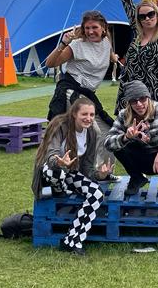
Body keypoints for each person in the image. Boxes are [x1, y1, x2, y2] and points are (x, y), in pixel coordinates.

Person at [32, 97, 114, 255]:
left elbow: (87, 169)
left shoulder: (91, 132)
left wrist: (101, 174)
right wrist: (59, 162)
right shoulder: (59, 125)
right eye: (85, 114)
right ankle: (60, 189)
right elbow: (51, 154)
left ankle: (72, 240)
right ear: (74, 113)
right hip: (50, 174)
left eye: (91, 114)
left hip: (70, 175)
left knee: (96, 193)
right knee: (56, 172)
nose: (88, 118)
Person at [105, 80, 158, 199]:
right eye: (134, 101)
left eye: (143, 99)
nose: (139, 104)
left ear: (148, 97)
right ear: (129, 103)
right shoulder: (123, 115)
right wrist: (126, 137)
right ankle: (137, 178)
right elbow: (108, 143)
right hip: (141, 161)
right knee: (119, 145)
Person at [44, 9, 117, 126]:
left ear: (103, 28)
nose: (90, 31)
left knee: (106, 130)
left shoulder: (106, 41)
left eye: (94, 27)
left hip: (88, 93)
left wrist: (114, 58)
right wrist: (63, 43)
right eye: (87, 28)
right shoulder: (77, 45)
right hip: (71, 91)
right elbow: (49, 63)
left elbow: (110, 54)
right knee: (94, 131)